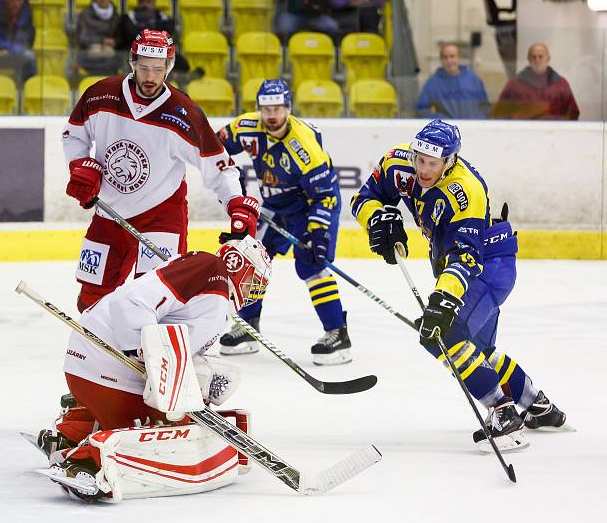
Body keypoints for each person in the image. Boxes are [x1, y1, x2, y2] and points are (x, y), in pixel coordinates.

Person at [350, 119, 569, 452]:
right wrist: (378, 219)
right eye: (419, 160)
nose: (423, 169)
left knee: (443, 334)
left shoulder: (466, 191)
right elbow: (365, 198)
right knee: (478, 351)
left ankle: (502, 410)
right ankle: (537, 404)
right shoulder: (400, 163)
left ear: (449, 160)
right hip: (456, 265)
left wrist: (444, 299)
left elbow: (465, 258)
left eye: (432, 163)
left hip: (488, 266)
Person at [36, 237, 272, 502]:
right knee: (170, 428)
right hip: (105, 368)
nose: (254, 290)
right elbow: (128, 303)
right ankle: (85, 463)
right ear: (235, 263)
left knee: (184, 413)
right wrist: (140, 350)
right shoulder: (211, 270)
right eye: (253, 280)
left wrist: (198, 382)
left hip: (94, 369)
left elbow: (176, 350)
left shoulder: (213, 293)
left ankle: (71, 432)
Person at [62, 29, 260, 313]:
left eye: (158, 69)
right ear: (132, 62)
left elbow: (219, 165)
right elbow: (74, 135)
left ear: (169, 66)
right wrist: (80, 164)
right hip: (108, 212)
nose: (150, 77)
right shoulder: (100, 95)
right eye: (143, 67)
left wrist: (235, 202)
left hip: (161, 215)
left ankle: (153, 348)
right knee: (91, 299)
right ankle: (102, 345)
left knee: (155, 295)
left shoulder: (184, 113)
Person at [216, 79, 352, 365]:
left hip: (309, 204)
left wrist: (318, 231)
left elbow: (324, 195)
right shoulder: (246, 127)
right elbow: (213, 144)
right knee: (249, 257)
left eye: (278, 108)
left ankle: (337, 333)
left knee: (311, 265)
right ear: (258, 109)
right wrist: (228, 170)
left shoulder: (304, 146)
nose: (272, 115)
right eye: (266, 109)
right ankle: (248, 327)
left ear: (289, 108)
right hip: (275, 205)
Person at [492, 42, 579, 120]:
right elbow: (499, 114)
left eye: (541, 57)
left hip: (553, 135)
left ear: (548, 59)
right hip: (523, 134)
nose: (537, 60)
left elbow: (573, 113)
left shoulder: (561, 84)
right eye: (534, 57)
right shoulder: (514, 85)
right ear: (528, 59)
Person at [416, 42, 490, 120]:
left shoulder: (474, 80)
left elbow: (485, 106)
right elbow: (422, 110)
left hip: (472, 128)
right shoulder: (432, 83)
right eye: (445, 57)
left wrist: (476, 120)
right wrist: (441, 121)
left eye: (452, 56)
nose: (449, 60)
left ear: (459, 58)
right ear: (441, 60)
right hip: (447, 130)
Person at [76, 0, 121, 75]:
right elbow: (82, 38)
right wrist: (102, 40)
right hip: (90, 50)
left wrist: (114, 42)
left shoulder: (115, 15)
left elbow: (120, 36)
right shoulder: (86, 14)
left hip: (111, 50)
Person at [274, 0, 341, 44]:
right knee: (283, 28)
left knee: (332, 27)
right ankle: (287, 54)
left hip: (315, 16)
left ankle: (326, 53)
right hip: (292, 14)